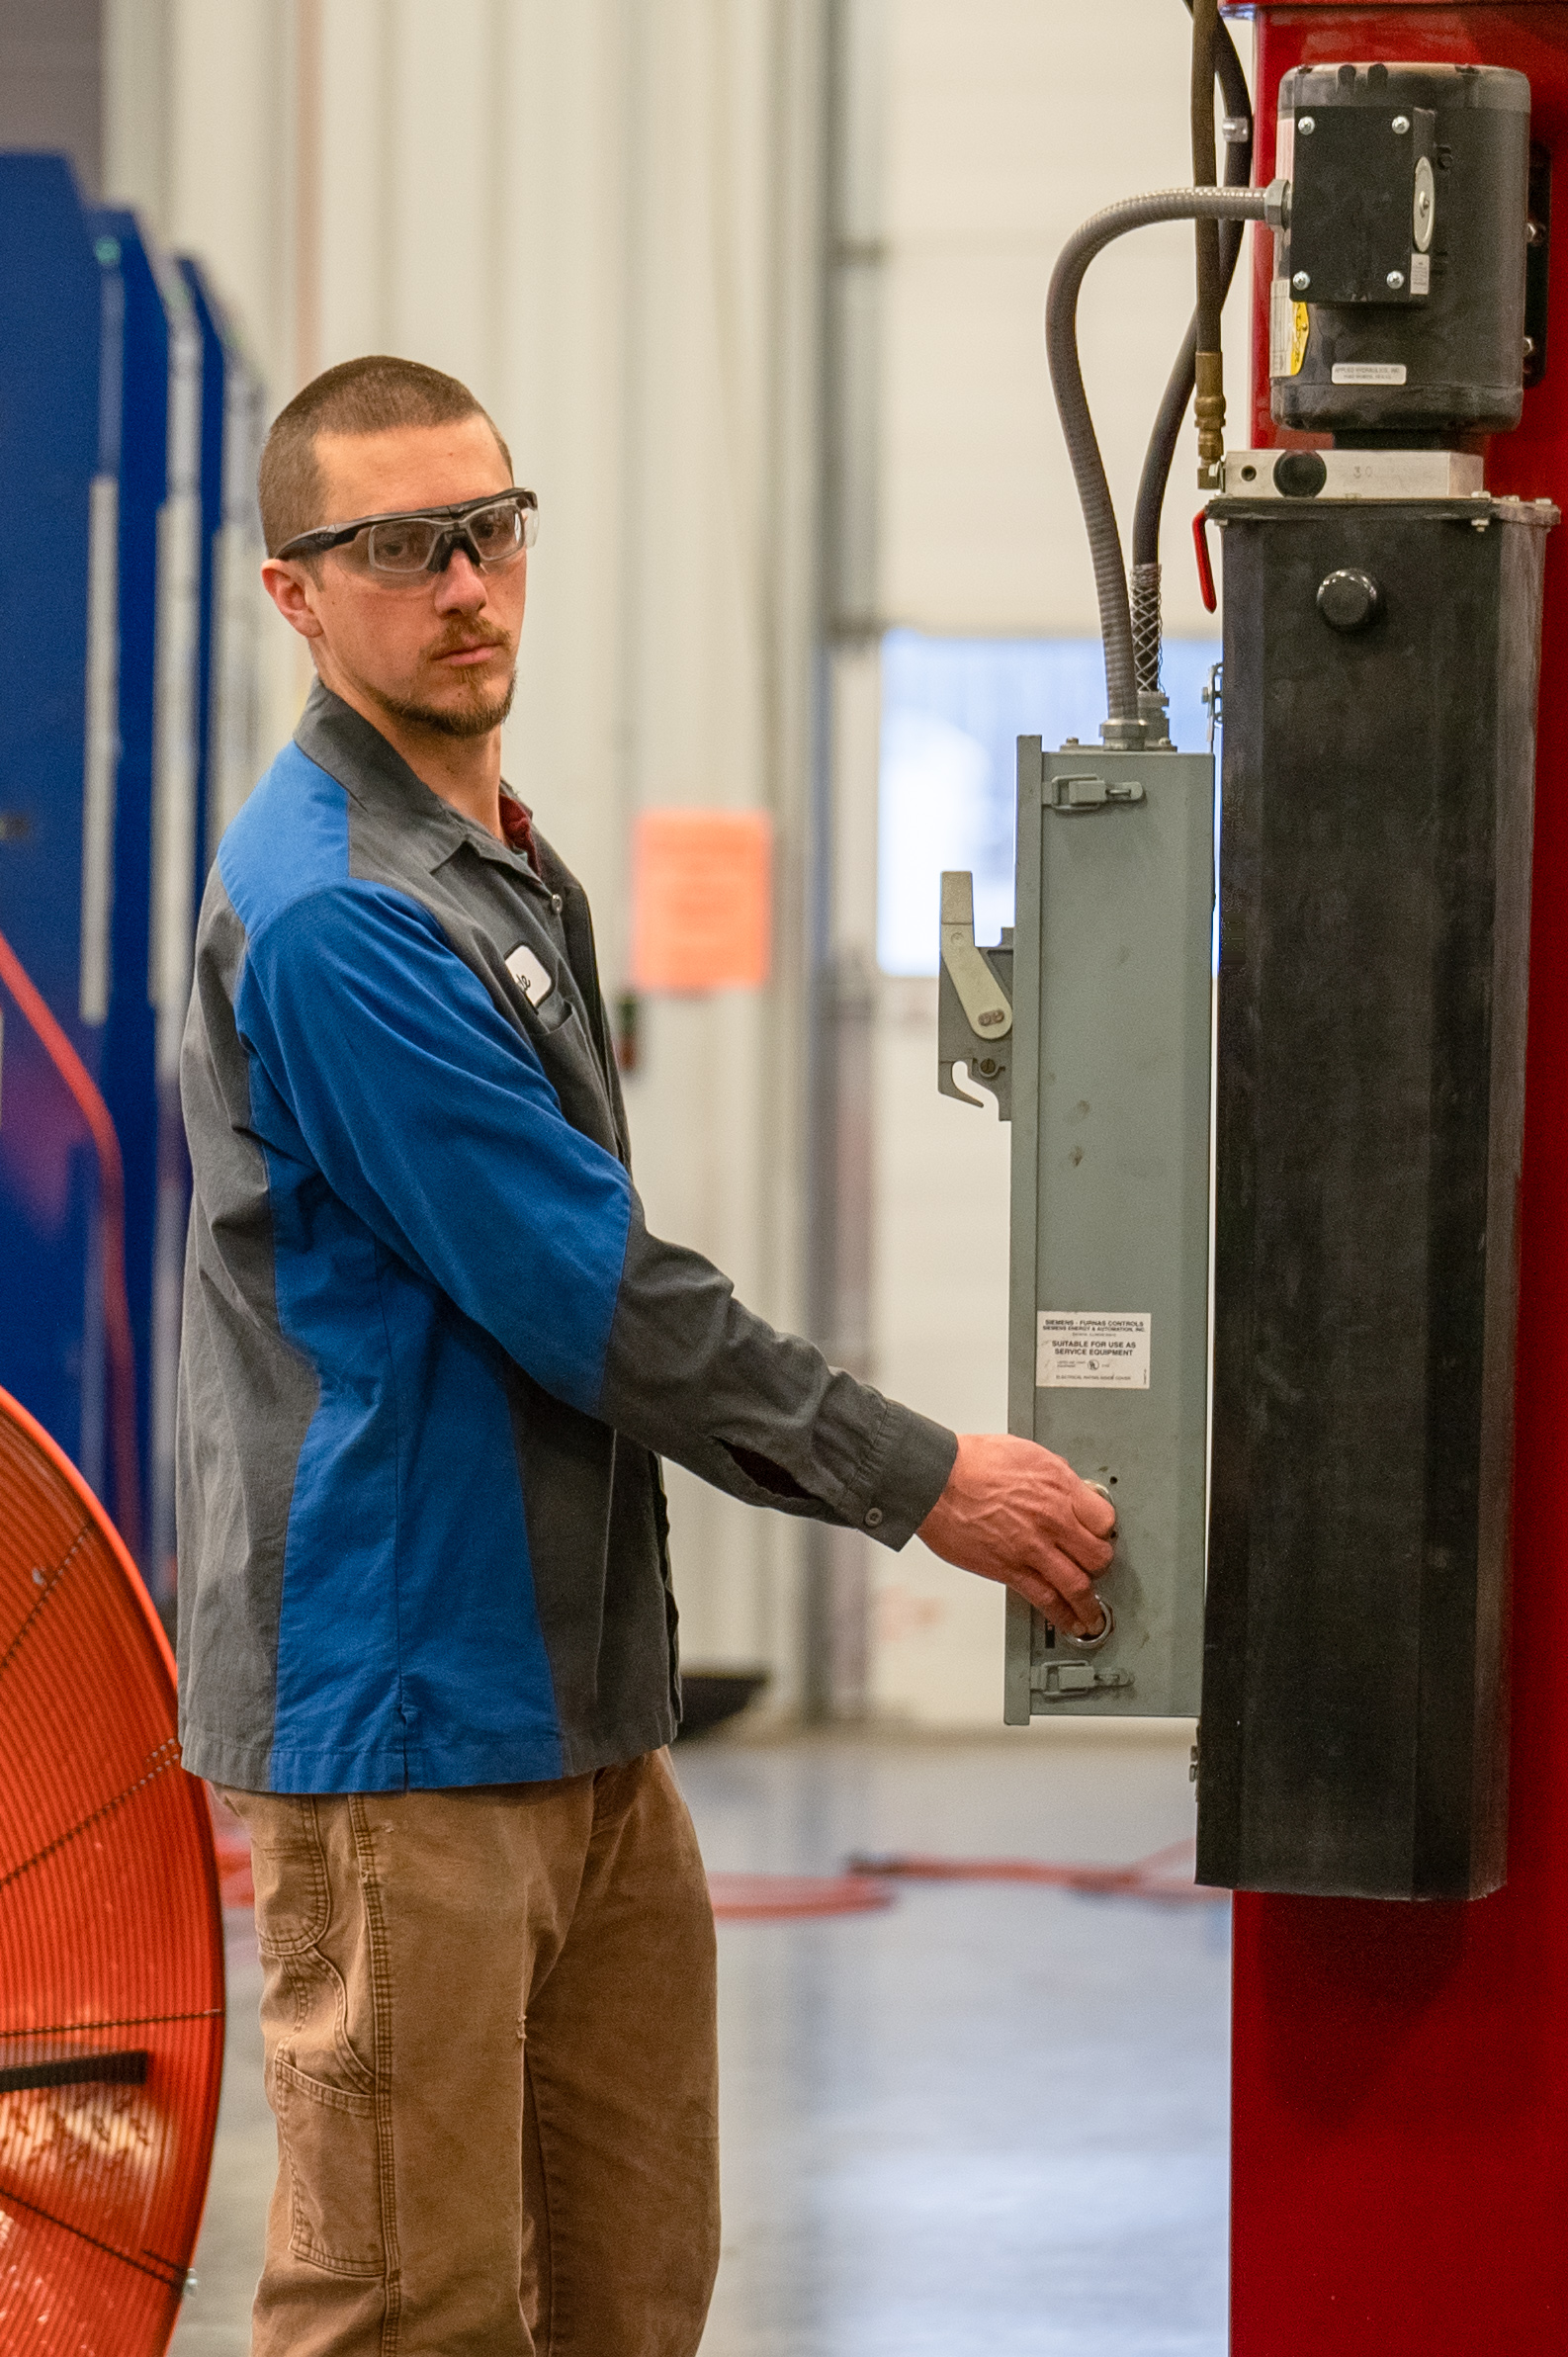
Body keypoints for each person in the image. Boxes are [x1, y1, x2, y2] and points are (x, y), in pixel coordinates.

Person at [173, 353, 1116, 2357]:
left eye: (491, 530)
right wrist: (911, 1471)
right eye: (400, 547)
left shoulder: (495, 863)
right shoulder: (338, 919)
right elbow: (584, 1293)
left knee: (624, 2286)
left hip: (582, 1716)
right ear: (294, 594)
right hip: (411, 1719)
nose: (465, 585)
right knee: (401, 2307)